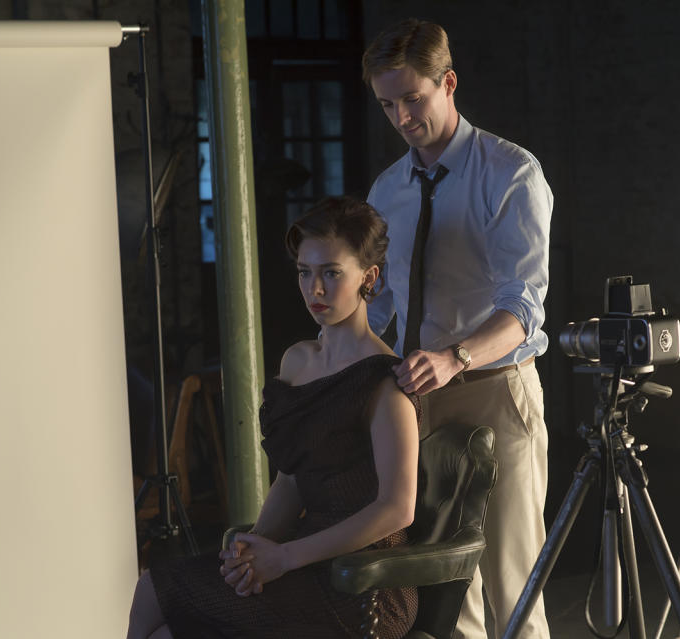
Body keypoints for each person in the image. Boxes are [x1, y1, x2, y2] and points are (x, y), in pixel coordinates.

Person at [126, 196, 421, 639]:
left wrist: (284, 558)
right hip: (298, 558)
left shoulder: (385, 382)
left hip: (363, 583)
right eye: (305, 272)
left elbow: (398, 509)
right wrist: (253, 550)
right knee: (153, 596)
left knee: (160, 606)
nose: (314, 289)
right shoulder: (298, 362)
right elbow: (290, 480)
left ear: (369, 277)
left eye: (331, 273)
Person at [362, 18, 553, 639]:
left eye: (412, 99)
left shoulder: (511, 173)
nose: (400, 117)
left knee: (512, 580)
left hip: (496, 388)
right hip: (416, 399)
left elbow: (522, 305)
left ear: (448, 83)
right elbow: (383, 302)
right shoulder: (387, 190)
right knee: (443, 592)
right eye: (387, 104)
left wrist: (455, 357)